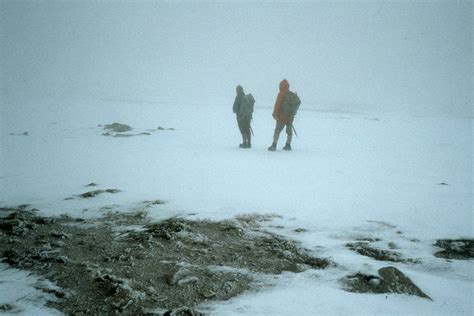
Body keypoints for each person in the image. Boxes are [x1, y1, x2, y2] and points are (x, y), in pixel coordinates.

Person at [268, 79, 299, 151]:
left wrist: (274, 114)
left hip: (282, 117)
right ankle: (288, 145)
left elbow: (277, 104)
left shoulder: (281, 94)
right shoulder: (291, 94)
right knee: (289, 131)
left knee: (277, 130)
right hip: (290, 117)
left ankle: (274, 145)